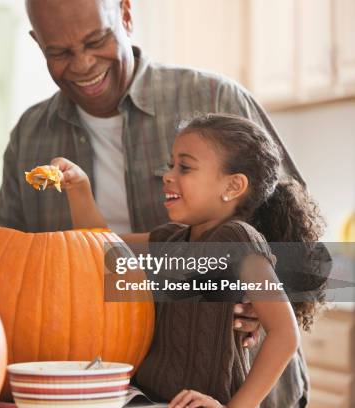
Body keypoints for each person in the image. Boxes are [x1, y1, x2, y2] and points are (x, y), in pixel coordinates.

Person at [0, 0, 312, 405]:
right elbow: (95, 252)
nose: (84, 63)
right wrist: (79, 190)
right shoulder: (29, 136)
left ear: (125, 15)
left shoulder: (215, 97)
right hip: (124, 393)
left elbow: (305, 253)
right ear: (38, 44)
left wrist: (258, 297)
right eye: (59, 52)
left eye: (96, 40)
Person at [49, 113, 326, 407]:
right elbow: (98, 247)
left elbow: (284, 335)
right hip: (148, 397)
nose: (168, 175)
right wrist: (79, 188)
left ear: (232, 187)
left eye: (185, 167)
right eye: (171, 165)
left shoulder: (237, 240)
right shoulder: (170, 239)